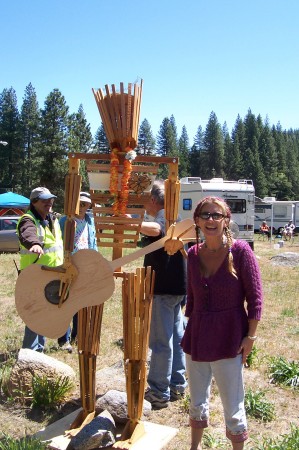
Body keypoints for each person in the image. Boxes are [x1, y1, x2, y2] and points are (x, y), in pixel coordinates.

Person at [181, 196, 263, 450]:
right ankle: (194, 447)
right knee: (196, 400)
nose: (211, 220)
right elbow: (192, 299)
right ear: (197, 220)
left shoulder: (240, 252)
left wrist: (250, 337)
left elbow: (255, 298)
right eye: (205, 215)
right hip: (197, 338)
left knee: (233, 405)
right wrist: (189, 331)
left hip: (229, 338)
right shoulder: (193, 254)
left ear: (227, 219)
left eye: (217, 215)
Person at [140, 181, 187, 410]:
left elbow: (157, 230)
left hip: (163, 287)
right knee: (176, 338)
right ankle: (177, 384)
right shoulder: (173, 216)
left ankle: (159, 391)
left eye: (144, 198)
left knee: (161, 340)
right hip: (176, 287)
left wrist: (133, 223)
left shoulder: (164, 218)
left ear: (152, 199)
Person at [17, 187, 64, 352]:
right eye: (44, 200)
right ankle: (30, 352)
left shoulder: (52, 219)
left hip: (53, 275)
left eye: (50, 199)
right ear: (34, 202)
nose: (49, 202)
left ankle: (39, 350)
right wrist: (34, 244)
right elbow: (27, 233)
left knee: (44, 313)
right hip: (35, 276)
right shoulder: (28, 219)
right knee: (35, 313)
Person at [58, 192, 98, 346]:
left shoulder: (90, 222)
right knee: (65, 302)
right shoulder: (64, 221)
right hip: (68, 266)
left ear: (89, 205)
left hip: (86, 267)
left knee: (81, 303)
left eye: (85, 204)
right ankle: (63, 339)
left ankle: (78, 336)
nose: (82, 207)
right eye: (79, 203)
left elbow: (93, 243)